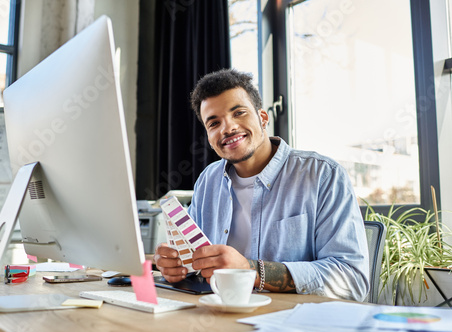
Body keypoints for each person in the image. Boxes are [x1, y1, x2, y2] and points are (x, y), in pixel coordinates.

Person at [154, 69, 369, 301]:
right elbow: (195, 263)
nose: (227, 128)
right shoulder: (208, 181)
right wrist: (177, 267)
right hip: (219, 315)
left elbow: (352, 279)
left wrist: (252, 271)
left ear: (263, 118)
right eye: (214, 123)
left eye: (239, 113)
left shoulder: (323, 175)